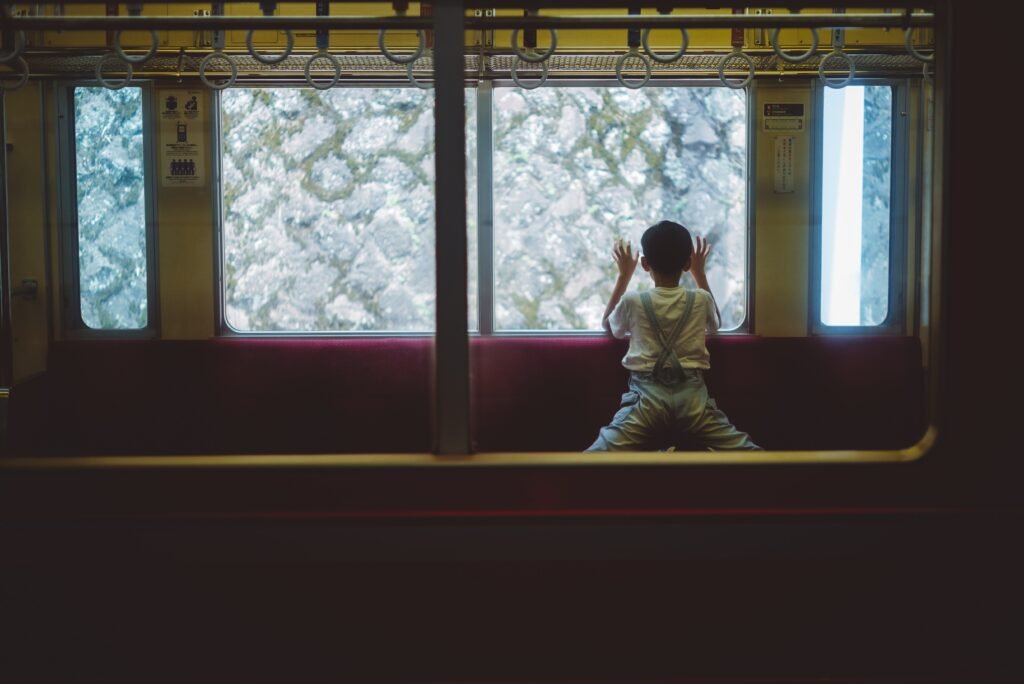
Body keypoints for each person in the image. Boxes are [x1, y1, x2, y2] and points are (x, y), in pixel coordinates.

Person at [586, 220, 760, 451]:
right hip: (693, 398)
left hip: (645, 400)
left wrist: (623, 277)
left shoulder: (633, 301)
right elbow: (715, 324)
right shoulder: (701, 299)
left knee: (594, 458)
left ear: (645, 264)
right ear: (687, 263)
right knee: (748, 453)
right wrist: (700, 273)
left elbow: (609, 326)